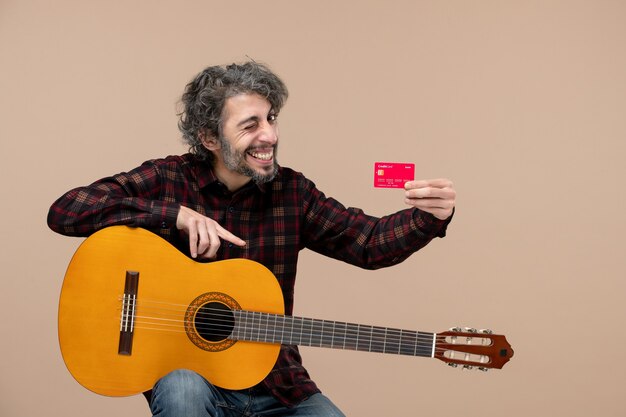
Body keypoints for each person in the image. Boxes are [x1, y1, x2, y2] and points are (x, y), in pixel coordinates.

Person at [47, 61, 456, 417]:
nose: (269, 136)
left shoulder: (292, 191)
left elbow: (367, 243)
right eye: (250, 125)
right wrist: (175, 215)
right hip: (187, 377)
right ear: (210, 138)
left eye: (271, 118)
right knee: (184, 389)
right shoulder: (169, 178)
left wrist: (429, 217)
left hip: (277, 385)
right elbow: (67, 209)